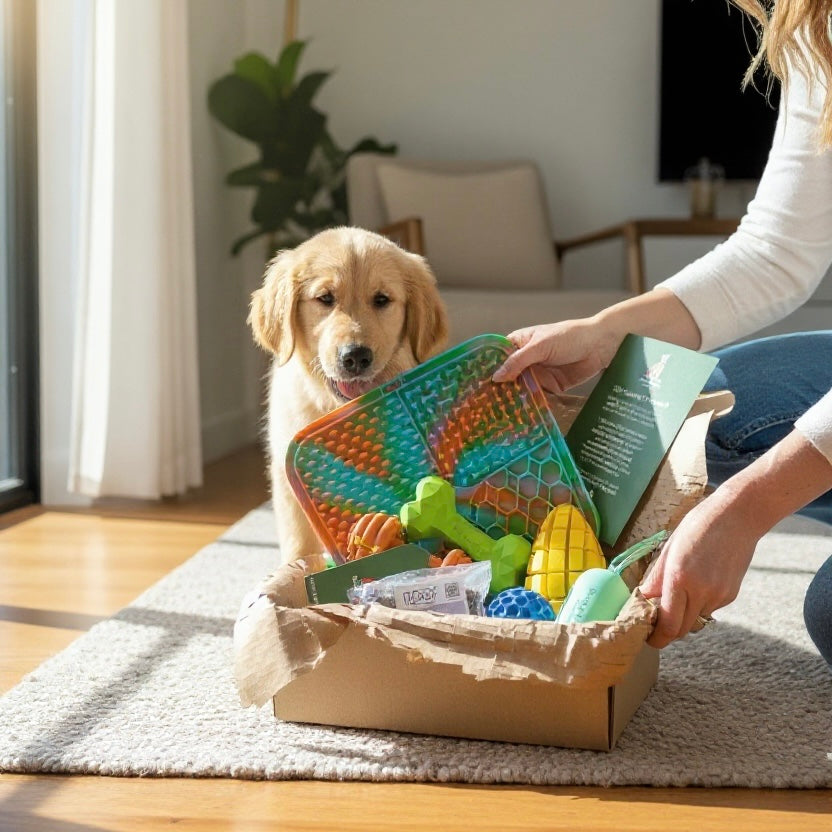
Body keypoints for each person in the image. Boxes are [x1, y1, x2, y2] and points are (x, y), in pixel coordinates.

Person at [493, 0, 832, 663]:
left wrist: (745, 506)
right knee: (679, 412)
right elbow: (777, 252)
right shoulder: (814, 26)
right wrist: (606, 333)